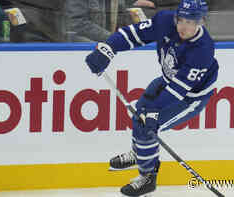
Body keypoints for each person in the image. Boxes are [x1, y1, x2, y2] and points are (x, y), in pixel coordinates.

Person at [85, 0, 219, 196]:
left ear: (201, 22)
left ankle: (148, 177)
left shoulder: (203, 49)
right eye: (181, 20)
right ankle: (141, 152)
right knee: (140, 113)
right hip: (167, 81)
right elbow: (133, 34)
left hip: (189, 97)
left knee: (147, 126)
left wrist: (154, 112)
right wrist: (108, 48)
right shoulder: (164, 21)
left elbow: (178, 90)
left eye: (190, 22)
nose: (183, 26)